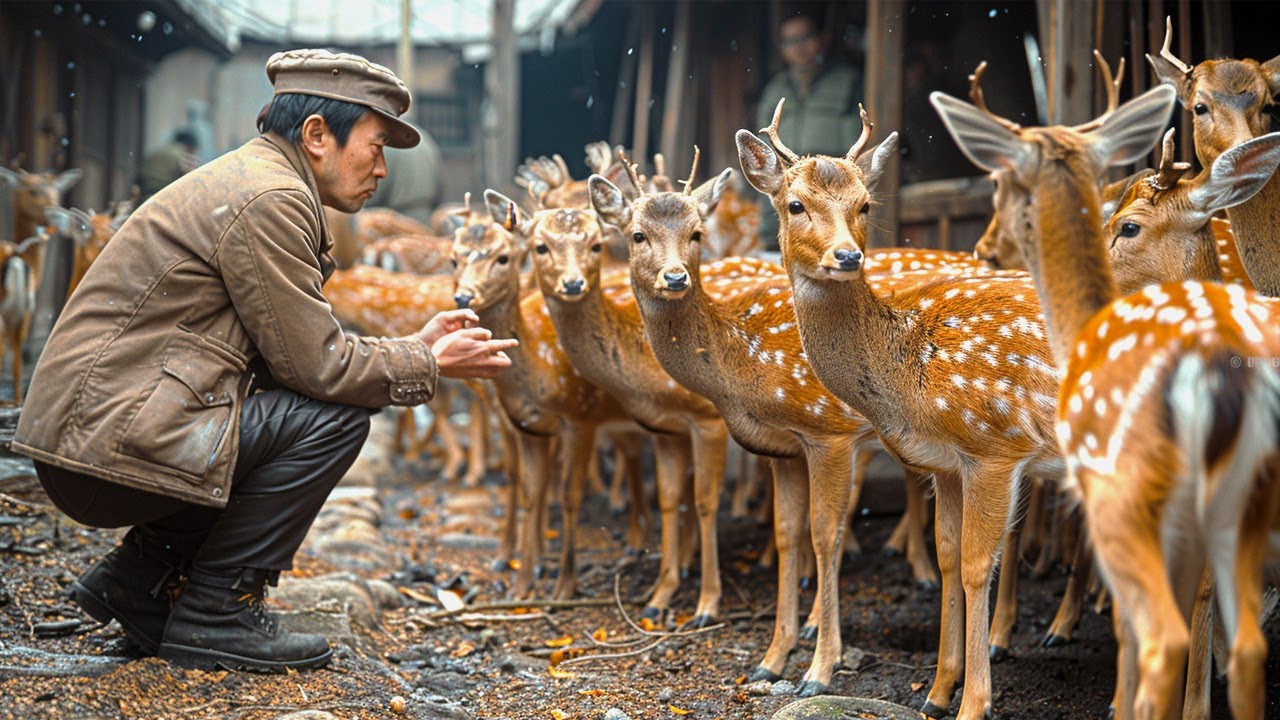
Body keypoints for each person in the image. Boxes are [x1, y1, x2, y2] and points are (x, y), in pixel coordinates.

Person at [11, 49, 517, 672]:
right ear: (316, 135)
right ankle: (216, 611)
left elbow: (292, 361)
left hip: (96, 438)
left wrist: (415, 344)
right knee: (335, 421)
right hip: (107, 446)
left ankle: (140, 581)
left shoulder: (255, 181)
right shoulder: (270, 198)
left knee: (298, 413)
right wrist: (427, 361)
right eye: (376, 144)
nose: (383, 169)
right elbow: (320, 370)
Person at [753, 11, 863, 250]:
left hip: (834, 192)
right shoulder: (774, 90)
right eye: (790, 42)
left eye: (805, 38)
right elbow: (762, 153)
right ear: (782, 48)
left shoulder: (849, 82)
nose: (799, 47)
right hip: (789, 194)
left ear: (822, 39)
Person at [138, 128, 201, 201]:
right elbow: (190, 181)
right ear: (190, 147)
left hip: (144, 196)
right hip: (163, 197)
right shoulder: (183, 157)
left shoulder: (158, 151)